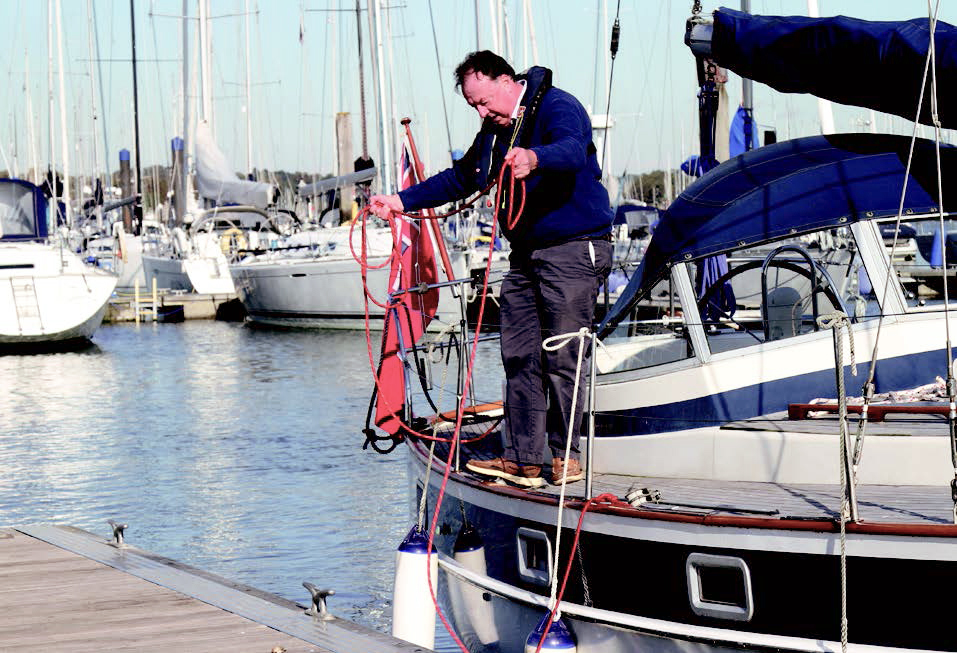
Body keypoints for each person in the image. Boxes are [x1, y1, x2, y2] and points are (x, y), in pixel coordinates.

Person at [369, 51, 612, 488]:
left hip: (573, 250)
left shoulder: (557, 106)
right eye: (474, 107)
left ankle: (566, 457)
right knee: (519, 354)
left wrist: (535, 158)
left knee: (563, 357)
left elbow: (574, 150)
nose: (483, 113)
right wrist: (400, 202)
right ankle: (522, 458)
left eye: (484, 102)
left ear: (506, 80)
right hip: (527, 254)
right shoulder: (495, 130)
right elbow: (462, 177)